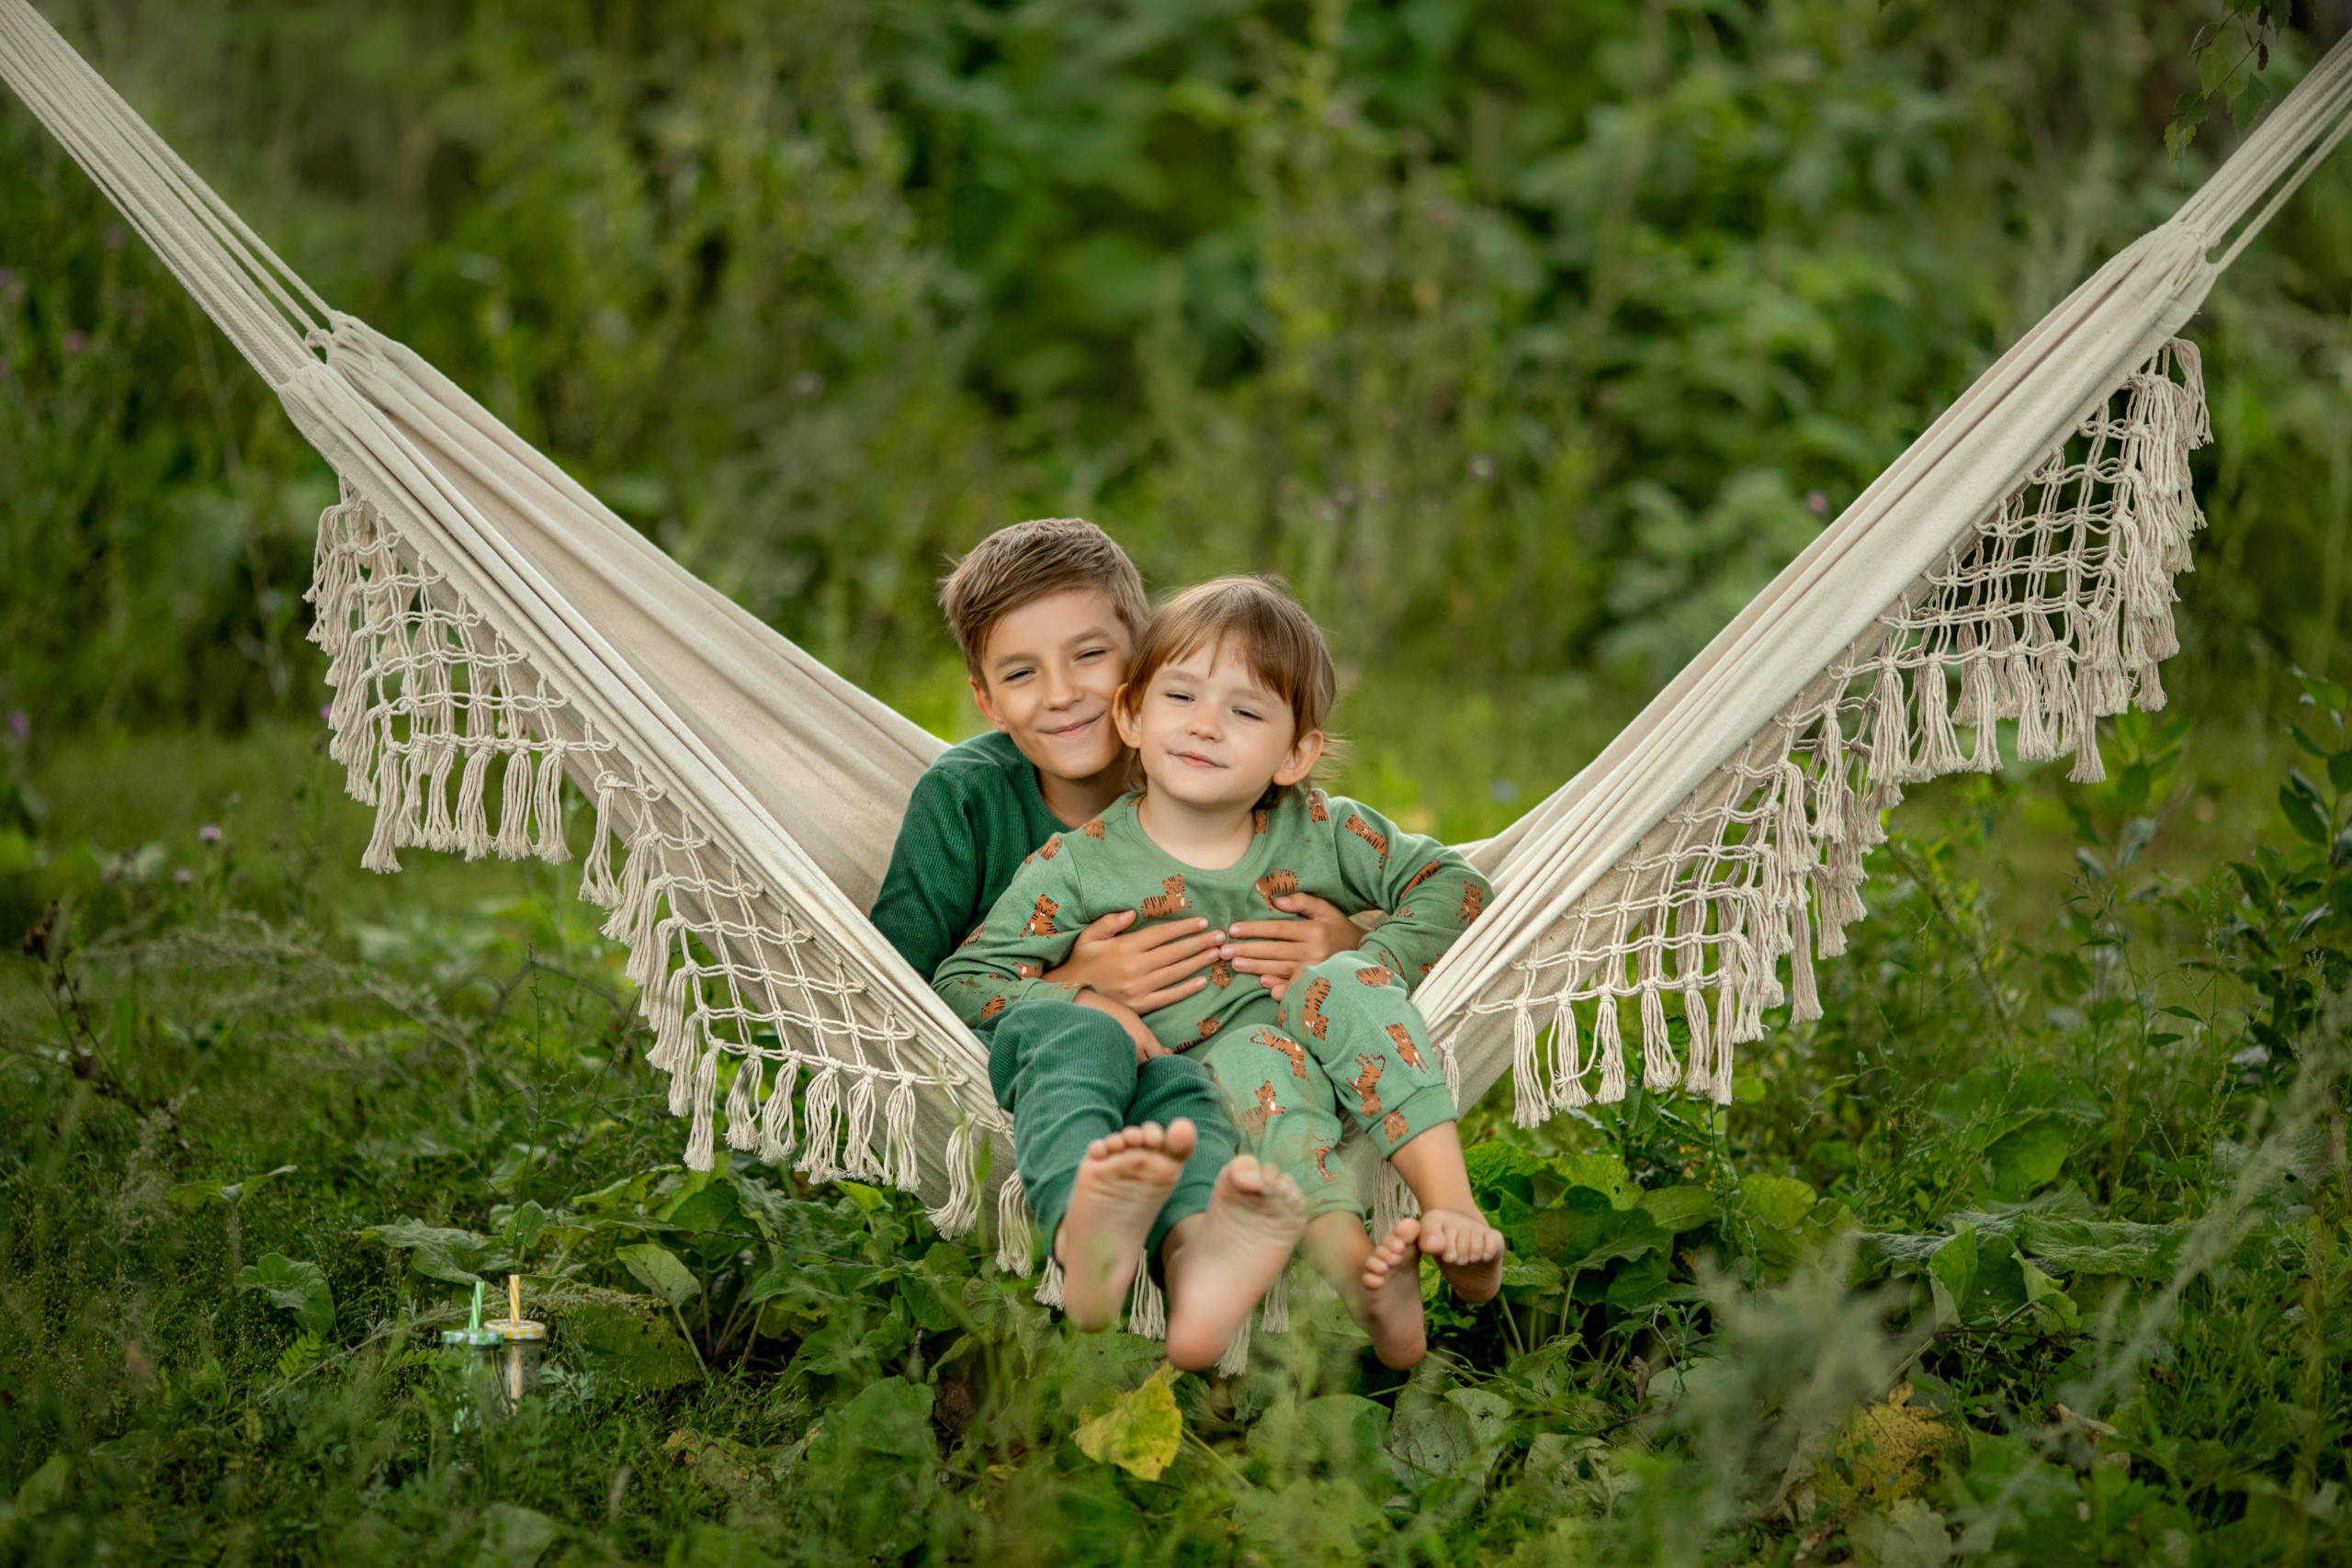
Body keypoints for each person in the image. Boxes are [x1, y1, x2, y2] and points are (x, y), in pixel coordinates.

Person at [934, 576, 1506, 1370]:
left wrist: (1359, 946)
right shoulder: (1077, 866)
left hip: (1326, 1033)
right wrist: (1085, 993)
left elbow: (1461, 887)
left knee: (1339, 984)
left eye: (1245, 710)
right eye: (1181, 697)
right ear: (1131, 714)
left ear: (1295, 753)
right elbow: (965, 979)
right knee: (1257, 1073)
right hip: (1211, 1091)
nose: (1206, 724)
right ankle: (1365, 1281)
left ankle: (1454, 1212)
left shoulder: (1320, 831)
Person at [872, 520, 1328, 1369]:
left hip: (1180, 1062)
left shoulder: (1204, 769)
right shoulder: (967, 800)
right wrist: (1073, 981)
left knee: (1186, 1099)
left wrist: (1335, 934)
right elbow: (881, 984)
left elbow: (1345, 869)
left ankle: (1193, 1267)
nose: (1061, 693)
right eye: (1020, 672)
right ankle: (1083, 1229)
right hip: (1016, 1064)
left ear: (1146, 661)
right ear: (985, 697)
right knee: (1085, 1034)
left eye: (1089, 656)